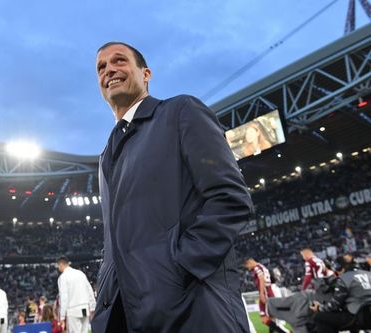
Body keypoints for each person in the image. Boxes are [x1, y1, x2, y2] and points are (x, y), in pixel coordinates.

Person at [92, 41, 254, 332]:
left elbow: (229, 198)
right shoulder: (106, 155)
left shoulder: (180, 112)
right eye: (101, 67)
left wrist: (178, 271)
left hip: (192, 310)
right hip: (127, 314)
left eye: (119, 61)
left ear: (146, 74)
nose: (109, 70)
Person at [310, 256, 371, 333]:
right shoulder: (369, 274)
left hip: (357, 318)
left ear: (341, 268)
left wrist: (319, 308)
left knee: (319, 317)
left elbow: (334, 305)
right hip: (366, 315)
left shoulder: (344, 278)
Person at [244, 258, 290, 333]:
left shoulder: (257, 268)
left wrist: (262, 293)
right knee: (271, 318)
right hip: (269, 292)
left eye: (247, 266)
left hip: (265, 292)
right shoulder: (262, 266)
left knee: (264, 319)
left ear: (250, 262)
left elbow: (261, 279)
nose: (248, 269)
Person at [57, 256, 95, 333]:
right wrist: (92, 307)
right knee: (84, 331)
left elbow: (64, 298)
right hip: (85, 308)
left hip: (73, 310)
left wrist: (62, 316)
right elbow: (89, 290)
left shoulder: (63, 277)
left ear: (61, 264)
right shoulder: (80, 273)